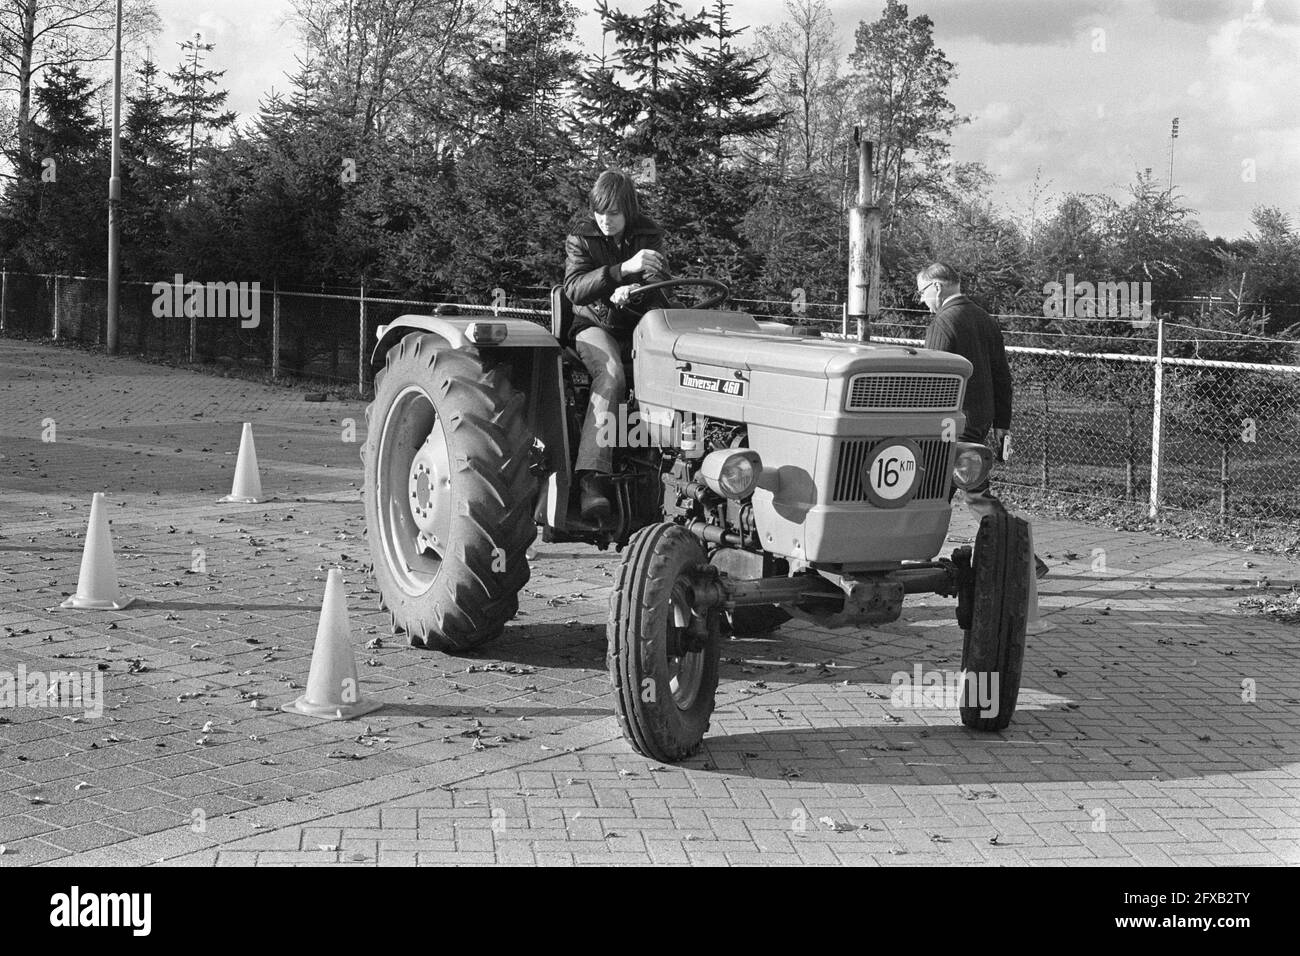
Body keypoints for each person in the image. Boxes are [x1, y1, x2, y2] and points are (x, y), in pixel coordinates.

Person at [917, 261, 1048, 577]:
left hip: (950, 422)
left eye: (922, 292)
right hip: (979, 418)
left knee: (972, 491)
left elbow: (934, 380)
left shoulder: (944, 322)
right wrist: (1003, 422)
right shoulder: (985, 319)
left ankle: (1026, 559)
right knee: (935, 489)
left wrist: (923, 422)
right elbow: (1003, 376)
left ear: (937, 286)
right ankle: (917, 554)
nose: (922, 301)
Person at [562, 169, 676, 522]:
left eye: (613, 213)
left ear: (629, 211)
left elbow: (661, 288)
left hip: (638, 323)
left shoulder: (650, 234)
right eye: (600, 212)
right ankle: (591, 479)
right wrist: (622, 271)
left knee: (677, 372)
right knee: (611, 374)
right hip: (592, 325)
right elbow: (575, 289)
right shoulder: (581, 237)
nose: (605, 221)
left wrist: (639, 289)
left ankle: (665, 471)